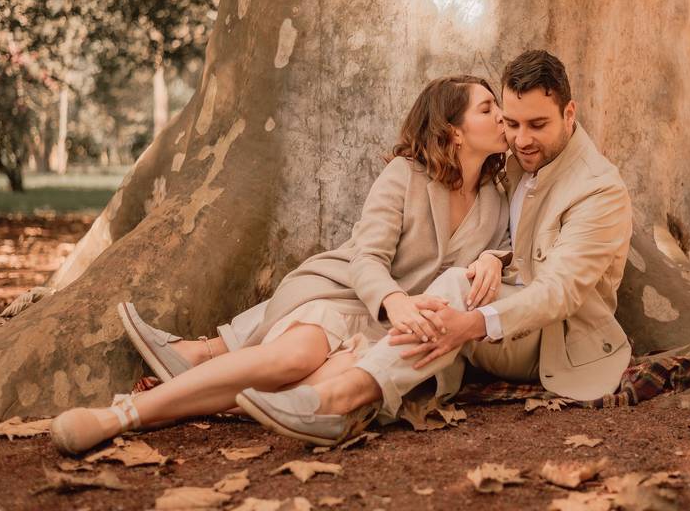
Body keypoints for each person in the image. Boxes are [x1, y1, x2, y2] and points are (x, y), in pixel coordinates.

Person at [50, 75, 514, 454]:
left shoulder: (497, 197)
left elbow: (515, 246)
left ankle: (177, 394)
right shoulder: (404, 175)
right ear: (454, 130)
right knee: (290, 358)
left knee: (314, 390)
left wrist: (495, 256)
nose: (501, 116)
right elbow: (367, 258)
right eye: (487, 108)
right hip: (349, 297)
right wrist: (394, 300)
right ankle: (120, 416)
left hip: (408, 337)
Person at [232, 50, 634, 446]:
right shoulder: (511, 162)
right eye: (511, 123)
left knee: (453, 287)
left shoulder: (598, 188)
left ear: (569, 114)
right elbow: (507, 239)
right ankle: (255, 382)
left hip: (552, 340)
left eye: (537, 124)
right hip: (492, 309)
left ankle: (340, 398)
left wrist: (471, 325)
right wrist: (491, 259)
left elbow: (557, 292)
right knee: (432, 298)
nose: (521, 139)